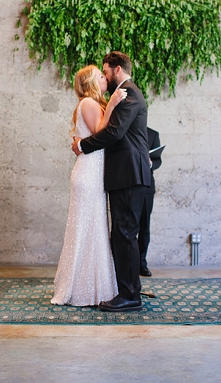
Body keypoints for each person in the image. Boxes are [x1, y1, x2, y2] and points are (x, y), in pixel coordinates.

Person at [72, 51, 151, 312]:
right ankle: (126, 289)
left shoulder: (127, 92)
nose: (104, 76)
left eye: (105, 71)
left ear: (116, 69)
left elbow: (114, 132)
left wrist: (83, 144)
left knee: (125, 234)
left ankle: (130, 296)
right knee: (122, 233)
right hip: (126, 173)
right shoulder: (125, 93)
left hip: (129, 174)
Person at [51, 65, 126, 306]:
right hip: (88, 175)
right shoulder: (89, 104)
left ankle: (91, 287)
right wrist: (113, 104)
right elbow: (98, 133)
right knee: (88, 231)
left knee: (93, 231)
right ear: (92, 83)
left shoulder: (93, 104)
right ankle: (82, 288)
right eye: (100, 76)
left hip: (92, 173)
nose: (105, 78)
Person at [138, 127, 162, 277]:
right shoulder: (124, 130)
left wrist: (150, 163)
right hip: (127, 184)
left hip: (147, 186)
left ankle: (142, 263)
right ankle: (126, 264)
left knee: (144, 226)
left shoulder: (153, 134)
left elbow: (158, 161)